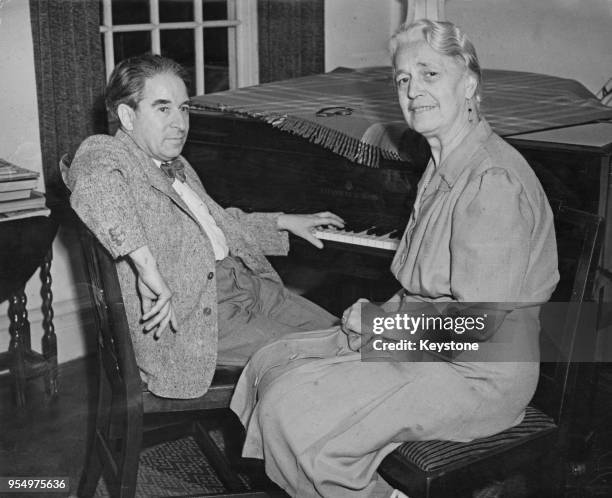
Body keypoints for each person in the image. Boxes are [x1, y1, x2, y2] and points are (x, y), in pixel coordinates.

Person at [229, 19, 559, 497]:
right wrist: (381, 320)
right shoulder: (443, 161)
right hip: (430, 345)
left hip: (479, 375)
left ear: (468, 84)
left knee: (296, 407)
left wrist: (384, 328)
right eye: (403, 79)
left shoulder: (492, 181)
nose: (412, 90)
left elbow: (484, 329)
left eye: (429, 74)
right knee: (273, 362)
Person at [66, 54, 345, 399]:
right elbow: (92, 183)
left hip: (244, 285)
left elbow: (211, 225)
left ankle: (426, 370)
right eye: (163, 108)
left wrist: (283, 221)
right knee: (334, 357)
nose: (180, 123)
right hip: (200, 317)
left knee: (355, 334)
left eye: (183, 109)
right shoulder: (105, 154)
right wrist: (146, 265)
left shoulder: (175, 163)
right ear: (127, 116)